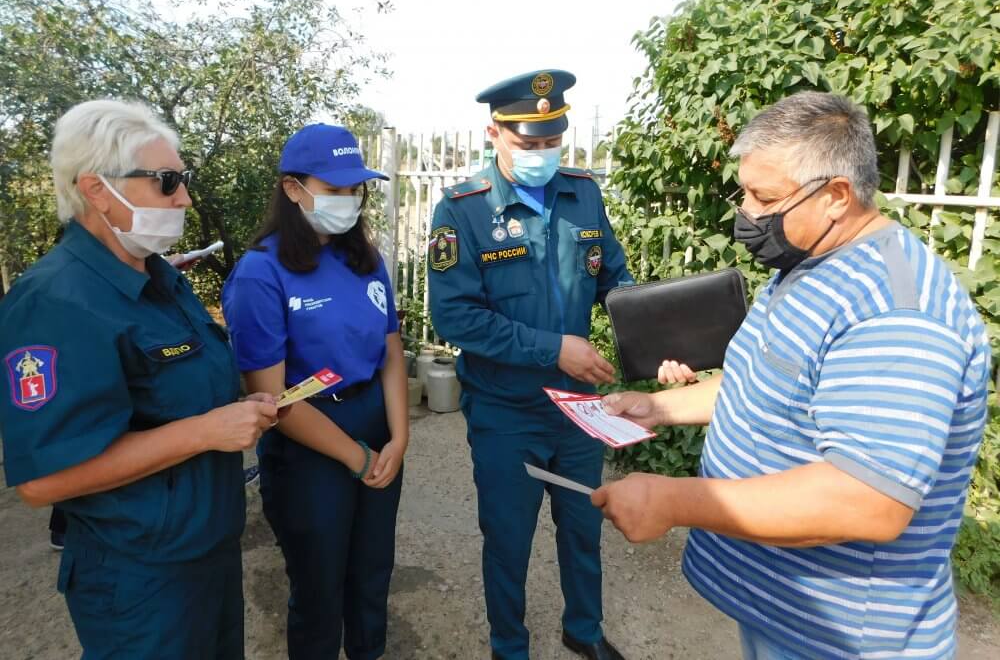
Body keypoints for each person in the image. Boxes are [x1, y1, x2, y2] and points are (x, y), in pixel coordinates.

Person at [596, 92, 991, 660]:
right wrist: (658, 408)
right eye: (745, 193)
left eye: (765, 197)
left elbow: (866, 500)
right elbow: (763, 384)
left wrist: (673, 500)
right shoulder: (809, 265)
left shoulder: (894, 311)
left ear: (835, 196)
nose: (747, 214)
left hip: (843, 637)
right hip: (788, 614)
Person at [0, 99, 278, 659]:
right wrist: (206, 432)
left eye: (183, 179)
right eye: (167, 182)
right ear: (98, 189)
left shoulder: (158, 278)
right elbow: (43, 482)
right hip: (140, 579)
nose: (184, 198)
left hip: (207, 554)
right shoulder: (56, 302)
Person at [428, 70, 634, 660]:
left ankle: (584, 632)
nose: (542, 155)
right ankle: (508, 646)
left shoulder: (582, 194)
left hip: (577, 407)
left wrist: (653, 333)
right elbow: (457, 320)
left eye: (551, 142)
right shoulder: (462, 211)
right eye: (528, 143)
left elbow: (614, 279)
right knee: (509, 538)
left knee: (583, 526)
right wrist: (554, 348)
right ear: (494, 133)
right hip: (505, 410)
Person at [221, 124, 408, 660]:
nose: (347, 201)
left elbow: (391, 351)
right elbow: (271, 398)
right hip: (308, 442)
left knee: (372, 573)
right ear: (293, 188)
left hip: (376, 421)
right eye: (334, 188)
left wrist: (400, 437)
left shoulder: (365, 260)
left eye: (355, 190)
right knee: (320, 588)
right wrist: (358, 457)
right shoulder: (261, 274)